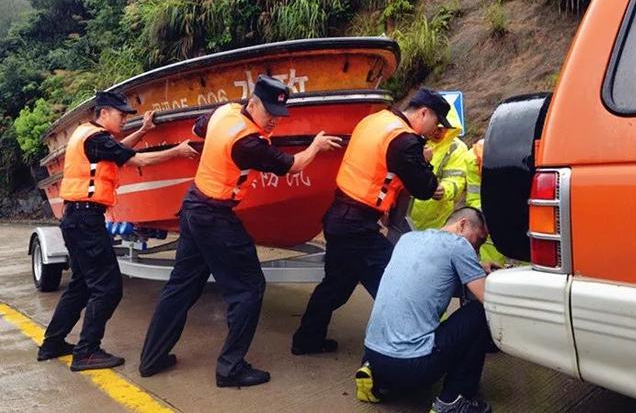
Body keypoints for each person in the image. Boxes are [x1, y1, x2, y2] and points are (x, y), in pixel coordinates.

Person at [139, 75, 341, 387]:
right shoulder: (248, 143)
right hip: (214, 216)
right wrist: (315, 145)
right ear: (253, 103)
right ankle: (230, 368)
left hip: (193, 208)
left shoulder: (225, 111)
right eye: (269, 113)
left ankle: (151, 359)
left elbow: (197, 128)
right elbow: (293, 166)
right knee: (249, 288)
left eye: (278, 115)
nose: (273, 121)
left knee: (181, 288)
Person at [37, 91, 198, 371]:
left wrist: (145, 130)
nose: (124, 120)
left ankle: (52, 343)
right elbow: (137, 161)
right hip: (86, 221)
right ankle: (86, 352)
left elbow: (119, 151)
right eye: (121, 115)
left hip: (75, 219)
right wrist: (178, 151)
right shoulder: (96, 138)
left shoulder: (89, 136)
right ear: (103, 114)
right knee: (108, 288)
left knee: (82, 286)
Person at [291, 87, 452, 355]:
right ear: (424, 113)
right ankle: (401, 349)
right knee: (393, 282)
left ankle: (306, 339)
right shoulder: (404, 140)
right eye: (435, 124)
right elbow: (424, 188)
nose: (432, 131)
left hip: (340, 216)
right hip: (357, 227)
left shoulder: (376, 120)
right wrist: (426, 162)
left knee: (336, 286)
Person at [356, 207, 494, 413]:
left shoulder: (408, 239)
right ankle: (454, 400)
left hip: (374, 356)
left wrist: (475, 267)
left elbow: (430, 278)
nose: (476, 249)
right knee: (480, 313)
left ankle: (376, 378)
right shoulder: (458, 246)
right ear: (463, 224)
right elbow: (488, 299)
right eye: (478, 240)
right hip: (413, 367)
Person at [410, 102, 469, 230]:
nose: (436, 132)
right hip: (406, 216)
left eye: (441, 129)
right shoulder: (415, 141)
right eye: (435, 127)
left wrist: (444, 190)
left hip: (437, 220)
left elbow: (456, 179)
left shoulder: (457, 148)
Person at [465, 139, 506, 266]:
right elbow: (475, 196)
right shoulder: (473, 160)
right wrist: (485, 217)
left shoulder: (513, 158)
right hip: (489, 212)